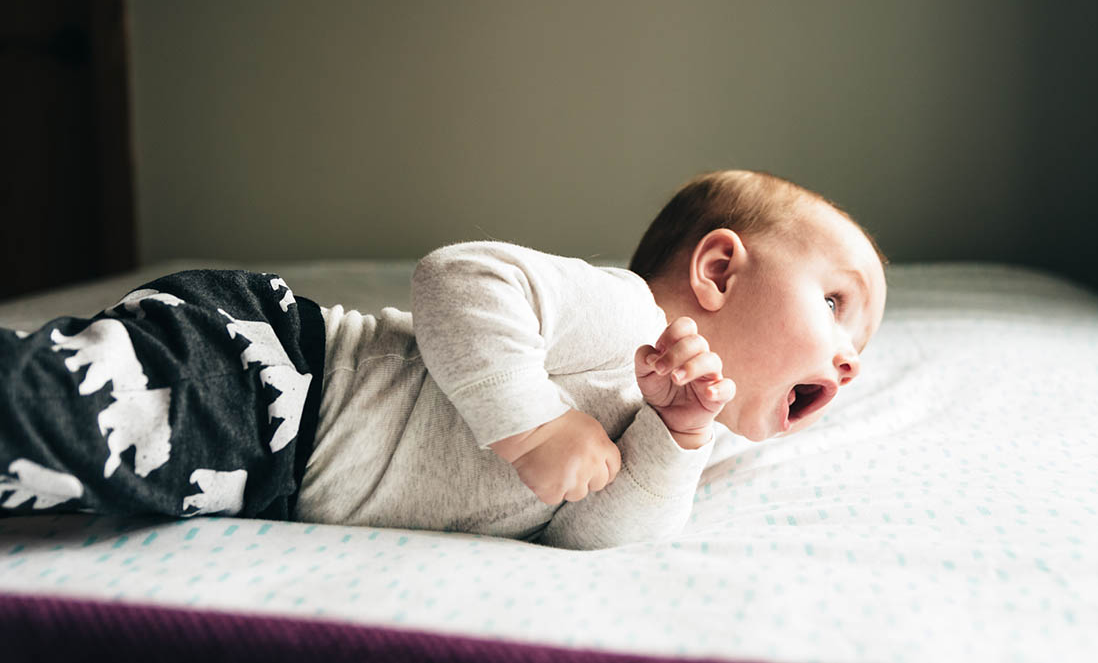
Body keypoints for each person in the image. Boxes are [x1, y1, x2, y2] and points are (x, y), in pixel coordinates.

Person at [0, 170, 886, 550]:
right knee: (52, 413)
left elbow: (591, 534)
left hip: (265, 477)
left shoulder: (676, 425)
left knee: (50, 467)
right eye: (838, 304)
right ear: (720, 270)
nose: (849, 359)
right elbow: (460, 279)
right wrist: (533, 423)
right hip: (274, 375)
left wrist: (678, 434)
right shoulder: (627, 312)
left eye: (861, 348)